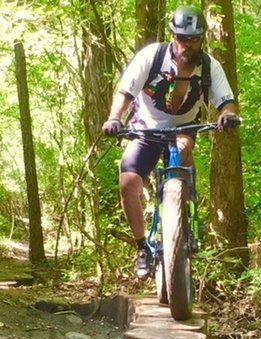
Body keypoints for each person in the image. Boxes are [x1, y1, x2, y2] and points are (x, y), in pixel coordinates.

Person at [102, 5, 240, 279]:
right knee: (128, 182)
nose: (186, 45)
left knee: (182, 155)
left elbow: (227, 102)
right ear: (172, 35)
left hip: (184, 129)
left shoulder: (210, 66)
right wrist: (114, 118)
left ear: (201, 39)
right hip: (146, 129)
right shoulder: (152, 57)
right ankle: (142, 247)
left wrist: (228, 116)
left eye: (193, 39)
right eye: (181, 38)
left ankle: (186, 216)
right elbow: (126, 91)